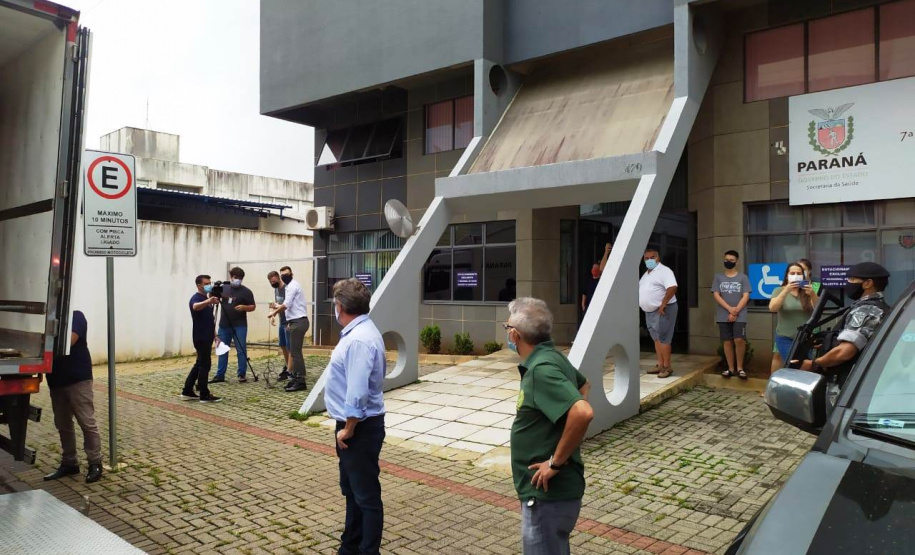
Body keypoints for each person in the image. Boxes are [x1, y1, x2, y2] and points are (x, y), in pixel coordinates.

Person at [505, 297, 594, 555]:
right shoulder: (550, 356)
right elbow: (583, 385)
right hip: (550, 496)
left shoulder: (541, 370)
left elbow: (582, 411)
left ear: (515, 334)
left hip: (547, 497)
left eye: (507, 327)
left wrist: (555, 462)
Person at [325, 278, 386, 555]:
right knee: (353, 492)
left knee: (366, 497)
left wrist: (348, 428)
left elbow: (358, 392)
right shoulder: (358, 332)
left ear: (340, 306)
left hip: (358, 428)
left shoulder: (360, 340)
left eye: (334, 305)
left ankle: (367, 550)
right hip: (356, 426)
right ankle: (350, 545)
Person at [796, 262, 891, 389]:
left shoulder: (867, 309)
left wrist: (814, 364)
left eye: (852, 279)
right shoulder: (867, 305)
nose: (848, 282)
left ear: (868, 283)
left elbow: (845, 351)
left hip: (847, 383)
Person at [44, 310, 103, 483]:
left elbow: (69, 341)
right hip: (56, 380)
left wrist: (44, 342)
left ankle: (95, 462)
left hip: (78, 379)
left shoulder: (76, 316)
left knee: (86, 422)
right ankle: (69, 463)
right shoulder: (47, 320)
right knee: (63, 424)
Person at [768, 262, 818, 374]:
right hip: (785, 337)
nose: (795, 275)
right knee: (794, 366)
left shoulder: (807, 291)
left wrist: (812, 294)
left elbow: (817, 309)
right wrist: (786, 290)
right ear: (787, 275)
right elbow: (773, 308)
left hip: (806, 338)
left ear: (803, 276)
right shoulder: (778, 290)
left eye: (799, 273)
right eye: (792, 273)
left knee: (808, 367)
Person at [210, 267, 256, 384]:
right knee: (222, 349)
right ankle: (220, 374)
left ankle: (242, 374)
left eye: (240, 278)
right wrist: (214, 289)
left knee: (241, 350)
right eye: (235, 278)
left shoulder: (246, 291)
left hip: (240, 325)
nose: (237, 280)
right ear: (230, 277)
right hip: (224, 325)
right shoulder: (224, 288)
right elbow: (212, 297)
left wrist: (244, 307)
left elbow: (252, 306)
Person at [268, 266, 309, 392]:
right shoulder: (290, 286)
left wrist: (273, 313)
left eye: (286, 274)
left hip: (298, 321)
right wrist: (277, 307)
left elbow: (287, 305)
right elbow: (288, 305)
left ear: (291, 274)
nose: (284, 276)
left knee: (295, 352)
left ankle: (300, 380)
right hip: (294, 321)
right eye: (282, 274)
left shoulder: (291, 286)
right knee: (292, 350)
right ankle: (295, 379)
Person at [639, 247, 678, 378]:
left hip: (663, 310)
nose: (649, 260)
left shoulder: (664, 271)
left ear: (658, 258)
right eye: (646, 258)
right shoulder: (646, 274)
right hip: (650, 312)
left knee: (663, 339)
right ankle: (660, 364)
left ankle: (667, 367)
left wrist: (663, 304)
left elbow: (672, 287)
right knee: (656, 338)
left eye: (652, 257)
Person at [712, 250, 751, 379]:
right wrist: (729, 309)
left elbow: (746, 295)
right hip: (723, 313)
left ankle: (740, 368)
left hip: (740, 314)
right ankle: (730, 368)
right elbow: (716, 295)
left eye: (731, 260)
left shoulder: (743, 277)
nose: (728, 262)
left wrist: (736, 311)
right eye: (726, 259)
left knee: (739, 339)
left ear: (737, 262)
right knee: (727, 341)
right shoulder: (718, 277)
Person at [182, 276, 221, 402]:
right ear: (199, 285)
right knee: (205, 365)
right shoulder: (197, 298)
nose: (209, 285)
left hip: (208, 335)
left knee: (199, 363)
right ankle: (204, 394)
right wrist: (208, 302)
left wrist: (215, 335)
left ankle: (187, 390)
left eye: (210, 283)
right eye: (206, 284)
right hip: (201, 336)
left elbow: (210, 320)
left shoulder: (206, 298)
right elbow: (195, 307)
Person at [267, 270, 292, 381]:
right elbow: (276, 305)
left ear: (278, 278)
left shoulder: (287, 289)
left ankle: (291, 370)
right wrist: (273, 315)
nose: (273, 284)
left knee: (289, 346)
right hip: (281, 320)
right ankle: (287, 366)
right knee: (282, 345)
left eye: (274, 281)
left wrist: (276, 310)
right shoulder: (276, 290)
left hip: (288, 321)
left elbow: (287, 305)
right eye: (271, 282)